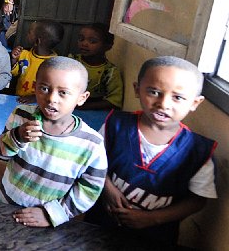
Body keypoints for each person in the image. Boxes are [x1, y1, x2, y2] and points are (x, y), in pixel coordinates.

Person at [87, 56, 216, 246]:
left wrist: (153, 218)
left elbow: (197, 200)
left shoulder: (197, 151)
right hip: (100, 224)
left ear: (195, 103)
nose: (163, 104)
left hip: (156, 236)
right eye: (154, 92)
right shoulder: (115, 125)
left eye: (178, 97)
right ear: (137, 89)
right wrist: (107, 189)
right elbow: (92, 161)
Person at [0, 57, 107, 227]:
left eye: (63, 92)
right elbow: (1, 152)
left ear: (82, 98)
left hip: (46, 222)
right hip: (4, 206)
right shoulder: (22, 115)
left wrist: (51, 214)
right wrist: (17, 136)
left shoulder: (91, 143)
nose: (52, 98)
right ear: (35, 88)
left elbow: (90, 189)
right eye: (44, 88)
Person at [69, 23, 123, 109]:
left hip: (92, 111)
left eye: (92, 41)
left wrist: (85, 106)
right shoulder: (71, 62)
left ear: (107, 46)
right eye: (81, 39)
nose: (84, 44)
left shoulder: (110, 71)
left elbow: (114, 101)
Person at [11, 20, 63, 98]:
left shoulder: (55, 64)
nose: (27, 34)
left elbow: (54, 88)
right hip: (18, 99)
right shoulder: (24, 54)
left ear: (37, 41)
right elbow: (14, 72)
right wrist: (14, 59)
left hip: (41, 104)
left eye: (29, 32)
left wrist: (34, 98)